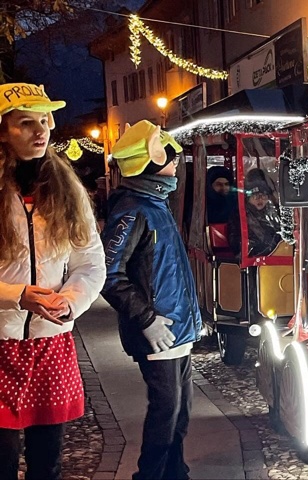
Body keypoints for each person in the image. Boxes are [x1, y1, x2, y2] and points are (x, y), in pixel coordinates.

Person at [0, 83, 106, 479]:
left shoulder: (67, 191)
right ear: (2, 131)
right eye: (26, 123)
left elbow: (91, 261)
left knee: (48, 461)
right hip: (0, 343)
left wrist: (72, 299)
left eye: (44, 121)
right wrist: (16, 296)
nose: (39, 131)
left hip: (50, 342)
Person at [101, 120, 202, 480]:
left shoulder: (153, 203)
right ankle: (152, 475)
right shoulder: (134, 209)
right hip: (158, 330)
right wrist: (146, 320)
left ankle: (176, 472)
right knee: (166, 412)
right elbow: (109, 275)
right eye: (170, 158)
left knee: (180, 410)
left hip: (174, 329)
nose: (176, 165)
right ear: (151, 163)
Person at [228, 168, 281, 258]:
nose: (260, 199)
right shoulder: (239, 216)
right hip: (251, 262)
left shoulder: (274, 213)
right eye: (255, 195)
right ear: (247, 197)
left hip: (277, 258)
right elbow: (237, 244)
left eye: (264, 195)